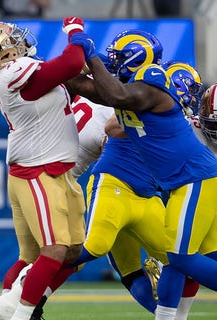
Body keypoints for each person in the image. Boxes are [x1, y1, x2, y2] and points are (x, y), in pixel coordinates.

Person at [72, 18, 217, 320]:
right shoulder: (133, 89)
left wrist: (91, 56)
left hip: (195, 179)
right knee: (191, 256)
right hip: (180, 183)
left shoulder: (151, 81)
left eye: (119, 58)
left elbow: (116, 97)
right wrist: (54, 69)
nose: (113, 63)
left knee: (180, 256)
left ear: (137, 57)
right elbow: (89, 89)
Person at [0, 18, 88, 320]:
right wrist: (75, 31)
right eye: (12, 43)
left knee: (72, 253)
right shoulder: (13, 74)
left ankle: (7, 306)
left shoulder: (15, 75)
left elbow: (61, 78)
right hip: (37, 172)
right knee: (53, 252)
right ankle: (22, 315)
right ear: (3, 56)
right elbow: (73, 61)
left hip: (54, 171)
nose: (20, 44)